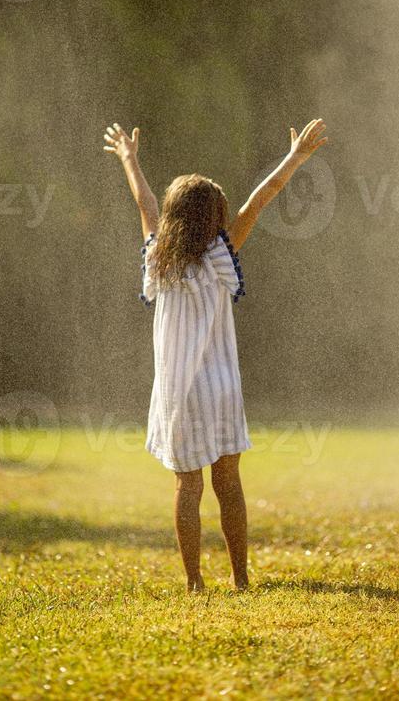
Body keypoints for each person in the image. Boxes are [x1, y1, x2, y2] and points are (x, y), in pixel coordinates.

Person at [103, 118, 328, 592]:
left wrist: (129, 157)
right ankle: (242, 579)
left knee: (188, 487)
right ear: (214, 219)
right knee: (229, 485)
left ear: (172, 217)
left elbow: (143, 201)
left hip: (178, 396)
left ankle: (194, 584)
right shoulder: (220, 256)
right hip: (221, 390)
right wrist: (295, 158)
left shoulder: (157, 261)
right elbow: (259, 200)